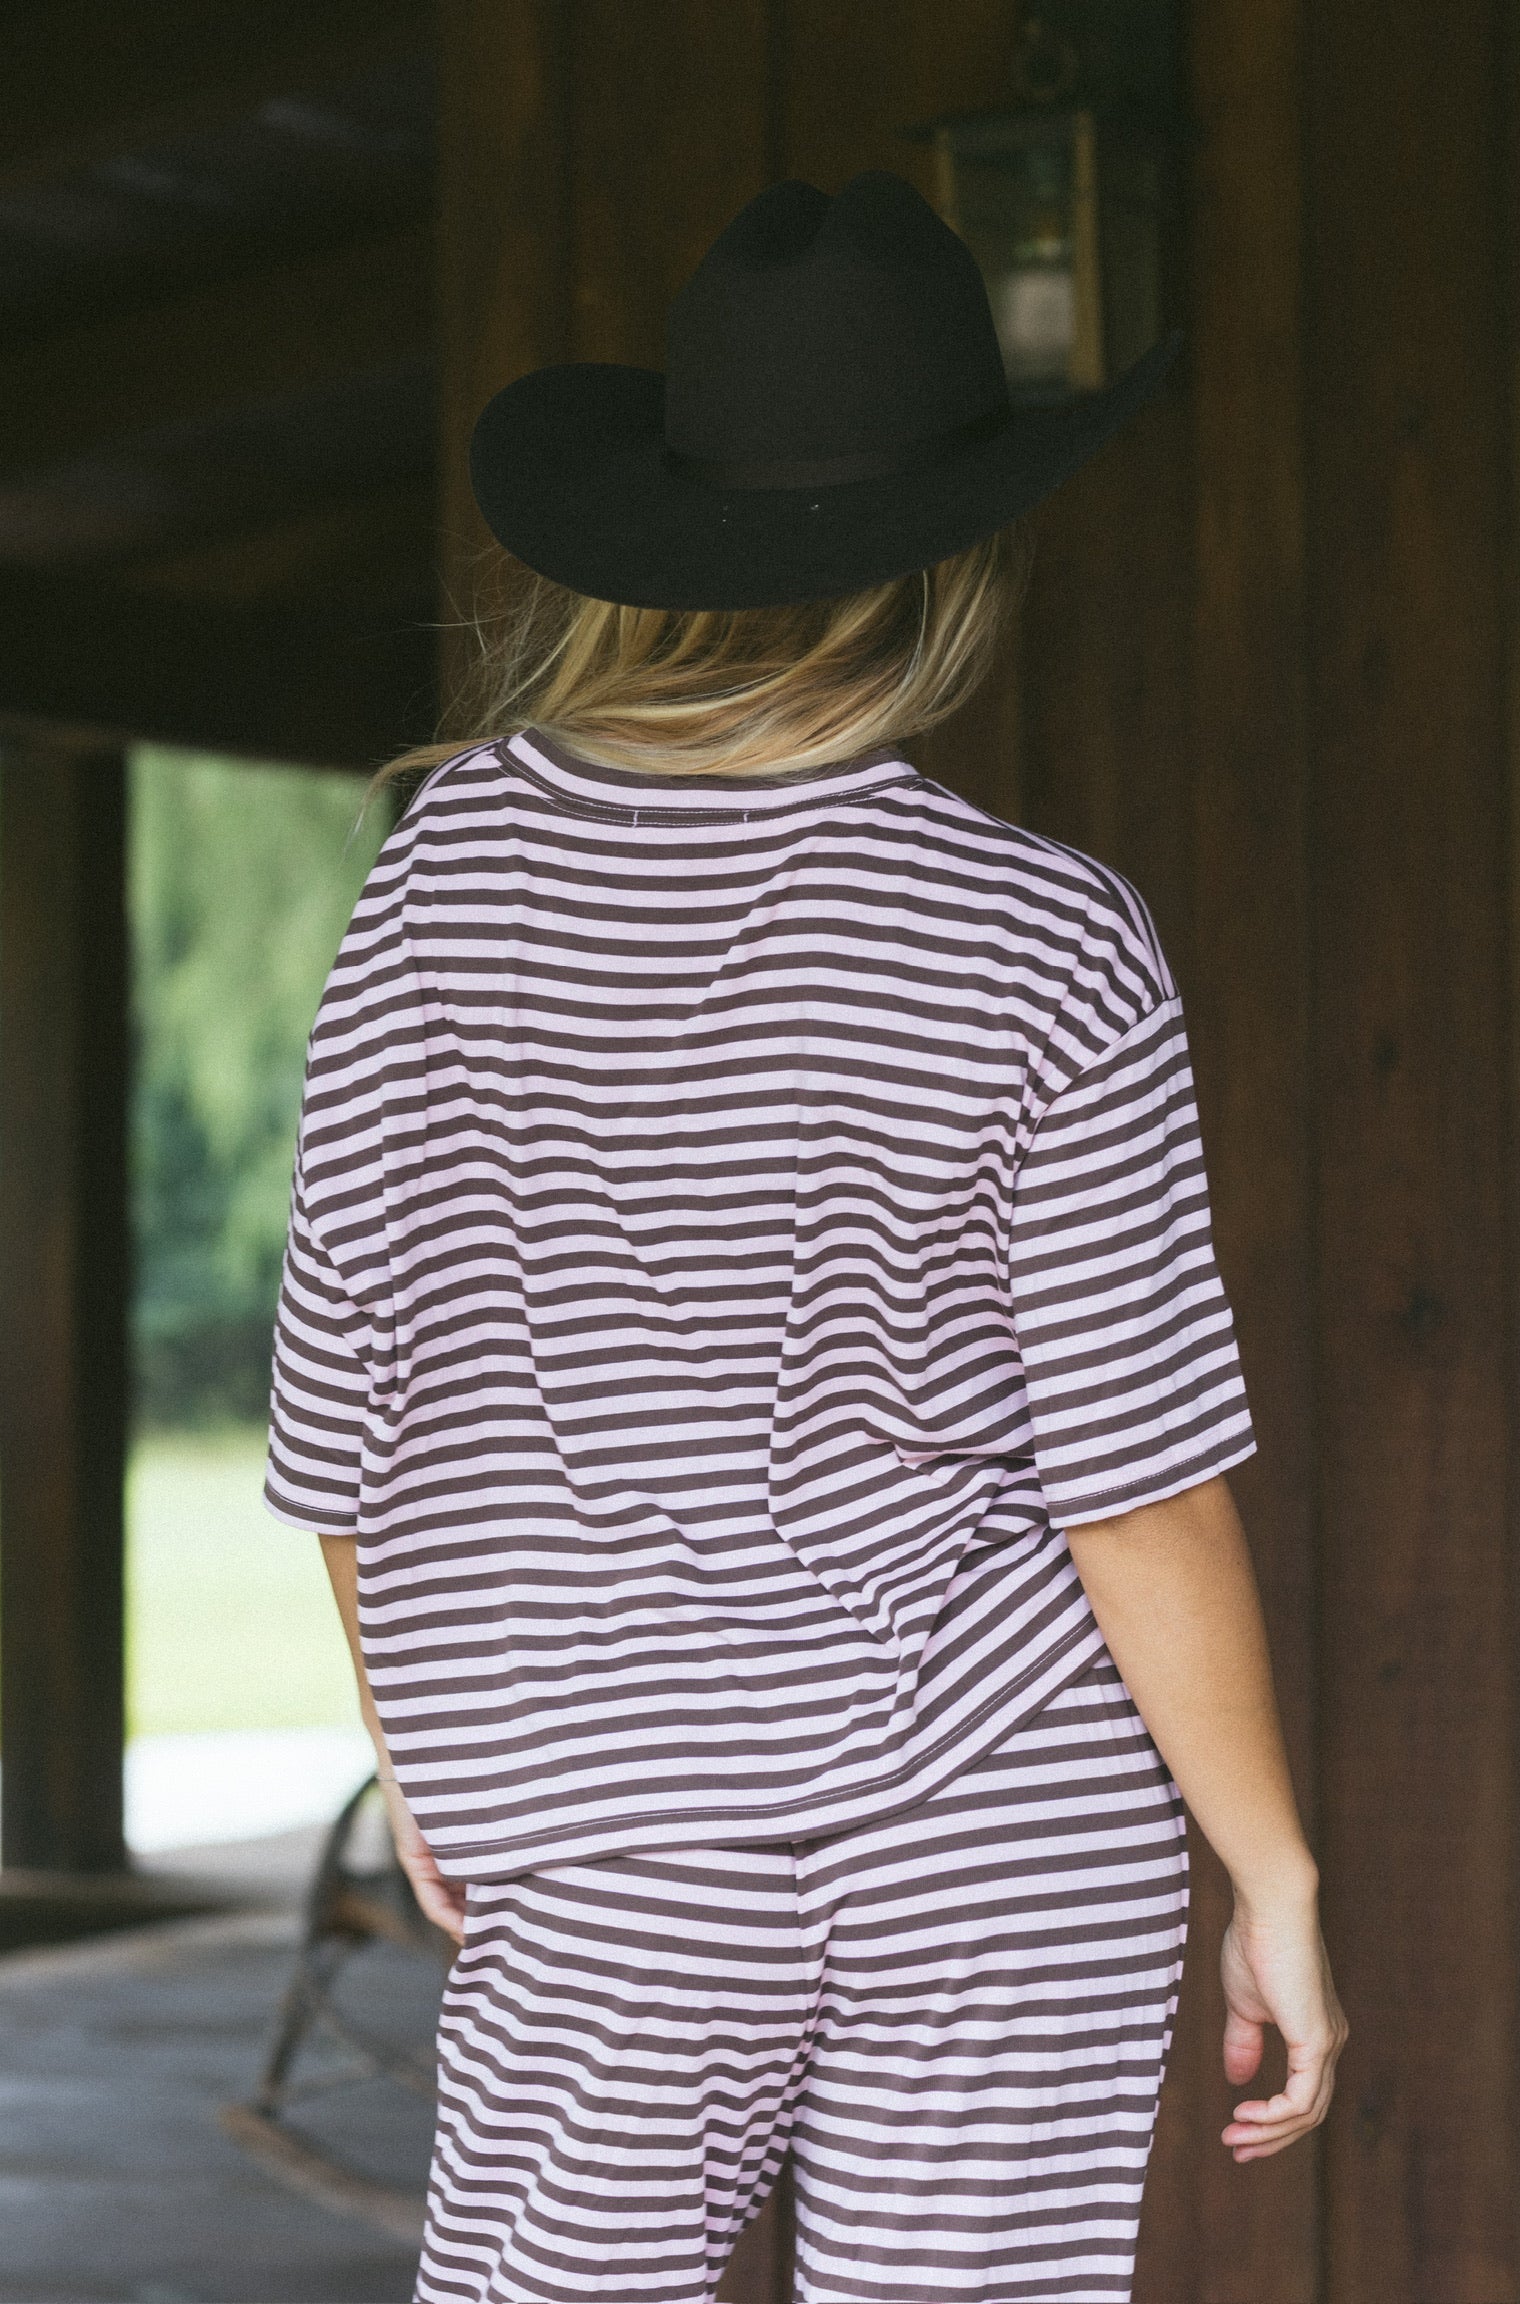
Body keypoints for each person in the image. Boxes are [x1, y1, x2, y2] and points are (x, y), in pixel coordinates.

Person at [267, 171, 1346, 2304]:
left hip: (599, 1829)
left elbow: (338, 1430)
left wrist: (433, 1761)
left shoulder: (447, 886)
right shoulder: (1046, 939)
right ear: (955, 554)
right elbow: (1133, 1487)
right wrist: (1276, 1870)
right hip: (995, 1821)